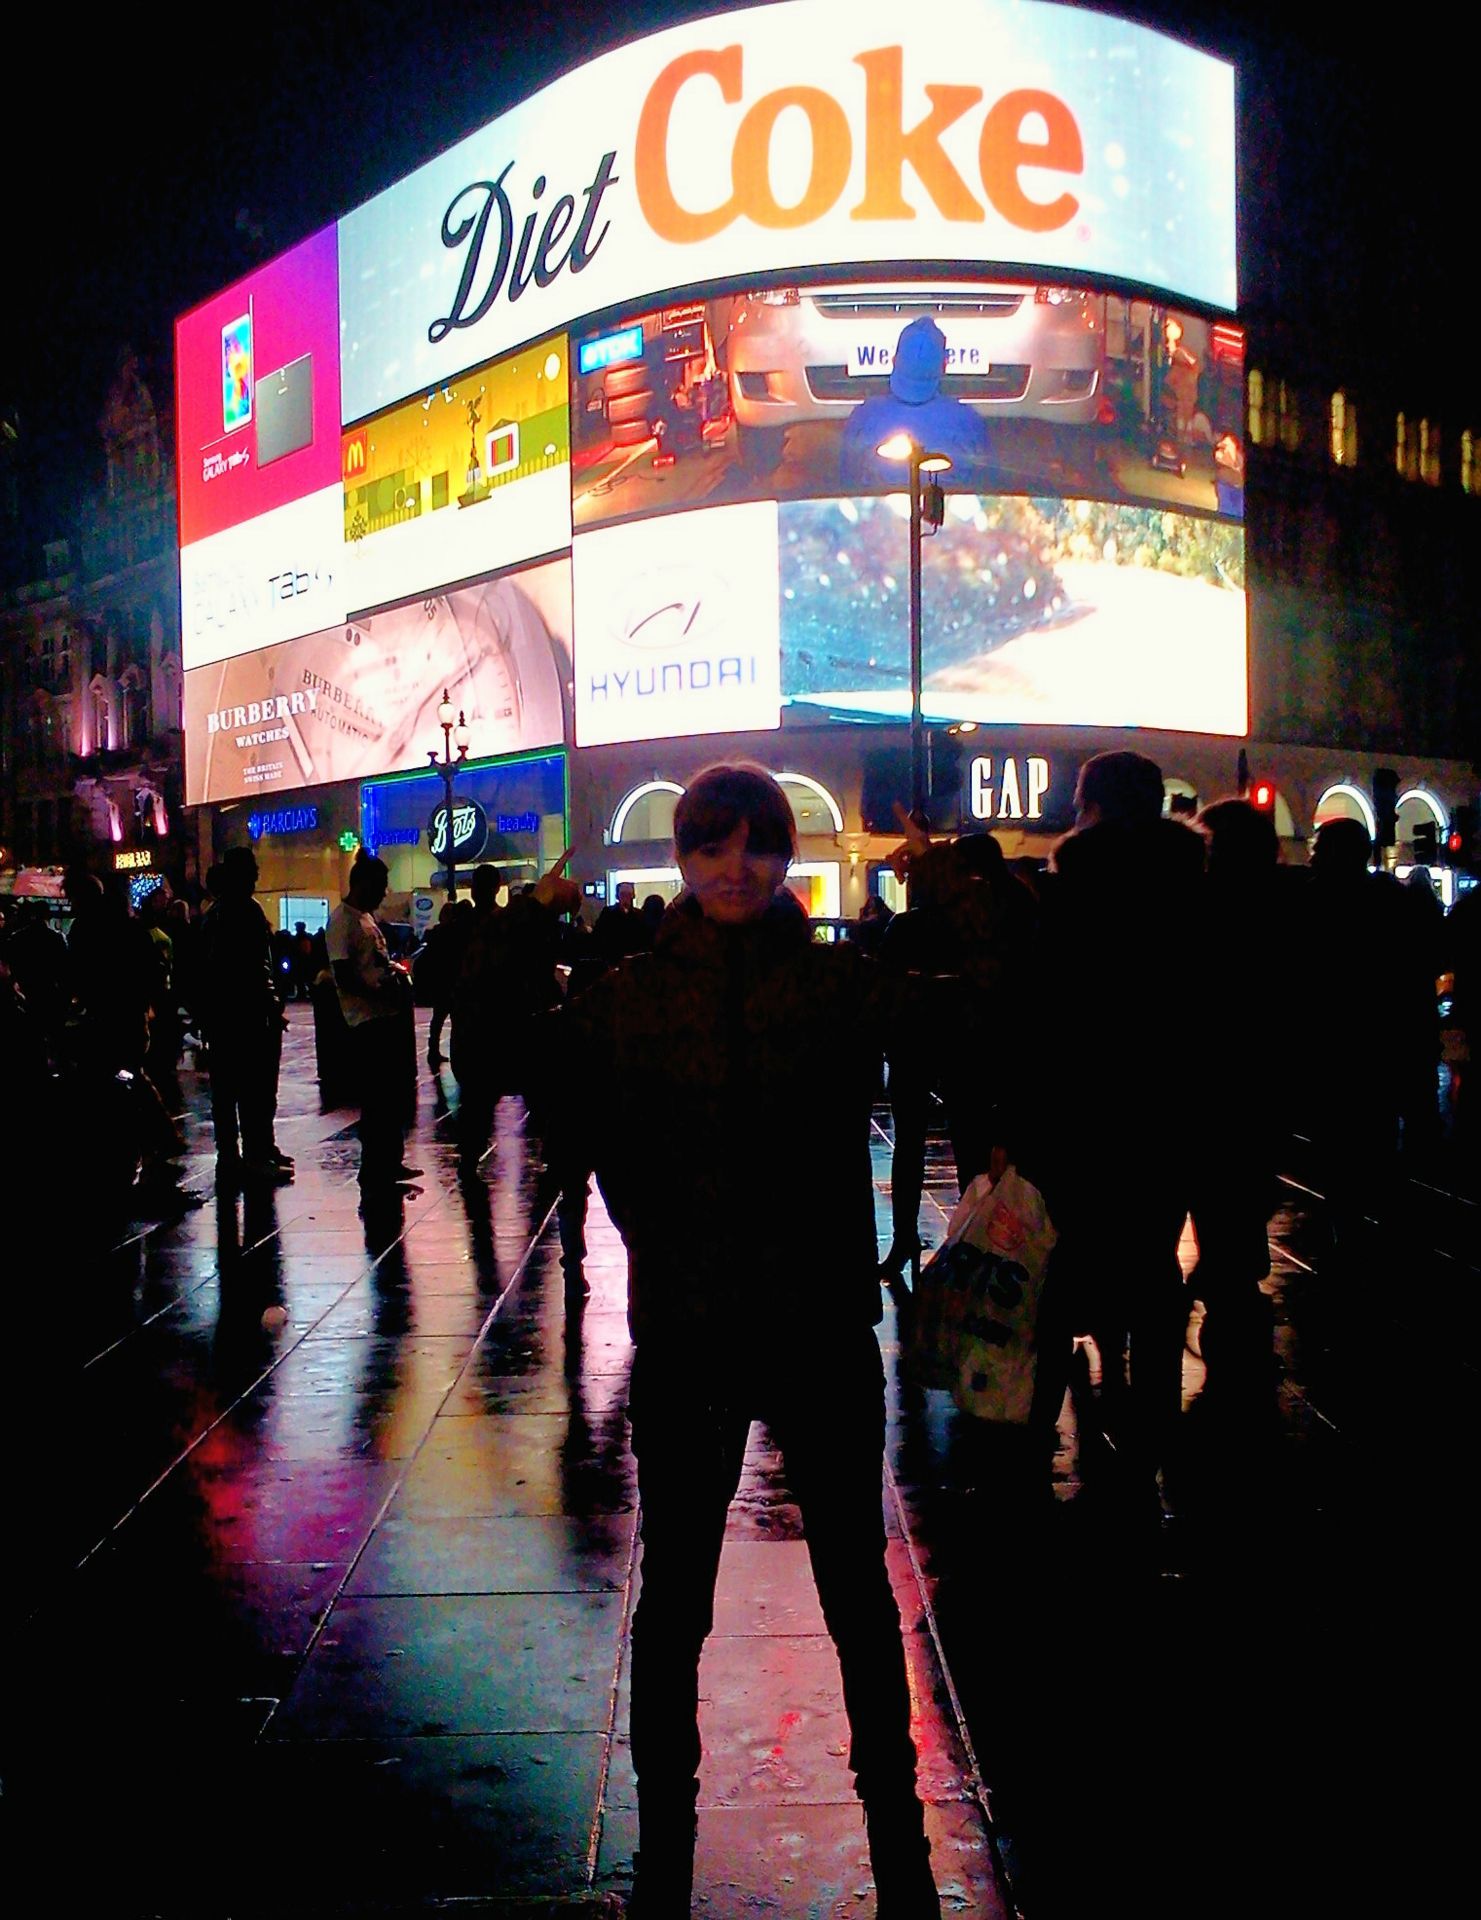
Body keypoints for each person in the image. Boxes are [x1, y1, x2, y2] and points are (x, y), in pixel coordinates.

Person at [535, 766, 985, 1915]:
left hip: (817, 1325)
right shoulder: (630, 994)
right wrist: (652, 1226)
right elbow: (565, 1112)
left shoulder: (839, 984)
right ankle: (665, 1826)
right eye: (708, 847)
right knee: (676, 1587)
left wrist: (949, 884)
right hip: (688, 1333)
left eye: (755, 846)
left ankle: (893, 1812)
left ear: (784, 855)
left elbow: (988, 1012)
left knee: (853, 1584)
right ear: (680, 859)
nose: (732, 868)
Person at [1031, 749, 1208, 1495]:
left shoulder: (1069, 891)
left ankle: (1044, 1420)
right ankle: (1154, 1417)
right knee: (1154, 1254)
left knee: (1070, 1253)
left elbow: (1039, 1006)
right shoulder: (1193, 890)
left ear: (1087, 802)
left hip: (1082, 1101)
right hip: (1169, 1099)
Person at [197, 847, 293, 1186]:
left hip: (223, 1017)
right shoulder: (245, 912)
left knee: (226, 1092)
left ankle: (234, 1155)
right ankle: (256, 1155)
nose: (256, 876)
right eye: (252, 870)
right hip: (247, 1017)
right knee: (255, 1089)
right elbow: (253, 968)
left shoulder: (214, 914)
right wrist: (271, 1006)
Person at [326, 852, 421, 1193]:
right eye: (380, 886)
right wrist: (376, 990)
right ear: (363, 884)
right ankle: (375, 1166)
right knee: (377, 1097)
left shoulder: (365, 918)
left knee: (390, 1094)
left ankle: (390, 1160)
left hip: (384, 1014)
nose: (384, 893)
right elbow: (345, 975)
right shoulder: (343, 922)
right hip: (366, 1019)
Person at [838, 314, 993, 491]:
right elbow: (986, 484)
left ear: (894, 361)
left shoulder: (862, 418)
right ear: (944, 366)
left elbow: (847, 483)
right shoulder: (969, 421)